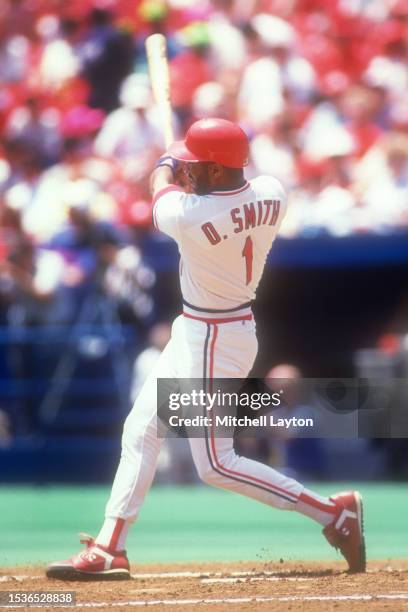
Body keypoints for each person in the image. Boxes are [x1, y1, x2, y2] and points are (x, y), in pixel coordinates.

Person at [46, 118, 365, 580]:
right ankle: (110, 546)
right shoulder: (273, 190)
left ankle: (332, 513)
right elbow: (197, 186)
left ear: (217, 171)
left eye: (198, 167)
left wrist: (164, 163)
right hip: (204, 328)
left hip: (215, 338)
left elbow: (160, 187)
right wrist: (185, 165)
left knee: (216, 464)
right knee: (141, 429)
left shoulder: (188, 214)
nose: (188, 172)